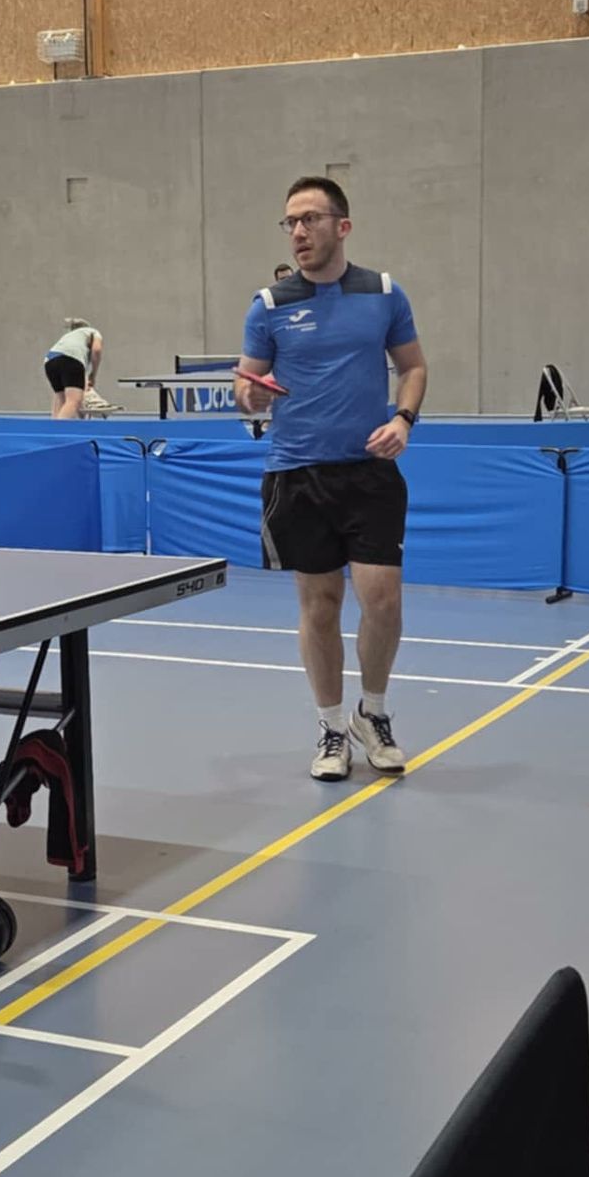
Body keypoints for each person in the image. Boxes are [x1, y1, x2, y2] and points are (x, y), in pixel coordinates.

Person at [236, 176, 428, 782]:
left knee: (383, 601)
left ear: (341, 226)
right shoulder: (269, 305)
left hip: (370, 472)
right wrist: (251, 396)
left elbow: (413, 367)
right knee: (320, 606)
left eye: (310, 219)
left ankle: (373, 713)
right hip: (298, 473)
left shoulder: (384, 293)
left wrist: (403, 419)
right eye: (290, 222)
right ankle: (331, 727)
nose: (298, 231)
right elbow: (246, 385)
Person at [44, 319, 104, 420]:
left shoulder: (69, 337)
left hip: (49, 361)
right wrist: (93, 374)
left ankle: (53, 424)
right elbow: (97, 350)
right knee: (74, 401)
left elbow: (77, 374)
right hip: (70, 359)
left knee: (60, 397)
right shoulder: (93, 332)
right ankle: (59, 428)